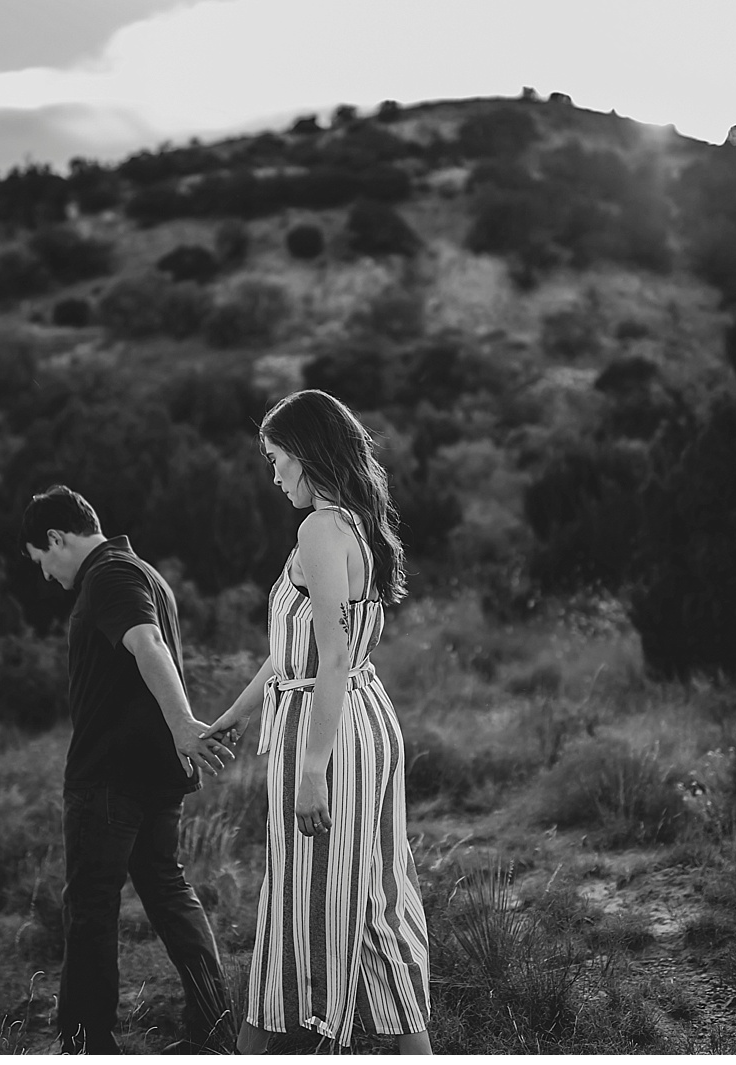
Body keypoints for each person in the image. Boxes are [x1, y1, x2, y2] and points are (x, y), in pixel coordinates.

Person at [204, 390, 432, 1054]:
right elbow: (292, 654)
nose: (273, 476)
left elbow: (329, 658)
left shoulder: (321, 530)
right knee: (375, 897)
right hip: (360, 718)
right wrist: (230, 718)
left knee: (310, 901)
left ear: (304, 455)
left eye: (276, 460)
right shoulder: (355, 524)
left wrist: (311, 769)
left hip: (327, 734)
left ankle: (294, 1035)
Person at [21, 485, 236, 1054]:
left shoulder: (109, 576)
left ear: (56, 538)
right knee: (168, 891)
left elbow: (148, 646)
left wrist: (185, 724)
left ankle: (89, 1047)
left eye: (41, 560)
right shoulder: (142, 571)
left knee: (90, 910)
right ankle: (215, 1031)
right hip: (154, 772)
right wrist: (178, 735)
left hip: (110, 778)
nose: (45, 575)